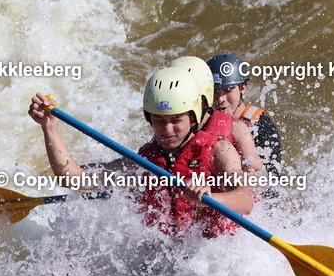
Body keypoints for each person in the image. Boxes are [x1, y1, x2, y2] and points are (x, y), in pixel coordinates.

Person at [28, 67, 251, 238]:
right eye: (159, 121)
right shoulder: (145, 160)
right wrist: (49, 127)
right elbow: (73, 177)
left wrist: (211, 198)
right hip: (166, 256)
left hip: (213, 255)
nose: (167, 130)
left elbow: (246, 199)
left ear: (193, 116)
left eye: (176, 120)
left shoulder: (219, 150)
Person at [168, 56, 264, 180]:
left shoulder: (237, 128)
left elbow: (259, 176)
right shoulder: (166, 128)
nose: (220, 99)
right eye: (216, 91)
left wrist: (245, 180)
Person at [206, 53, 283, 183]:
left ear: (243, 88)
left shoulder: (261, 126)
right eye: (215, 91)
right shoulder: (201, 119)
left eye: (228, 90)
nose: (220, 99)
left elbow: (272, 182)